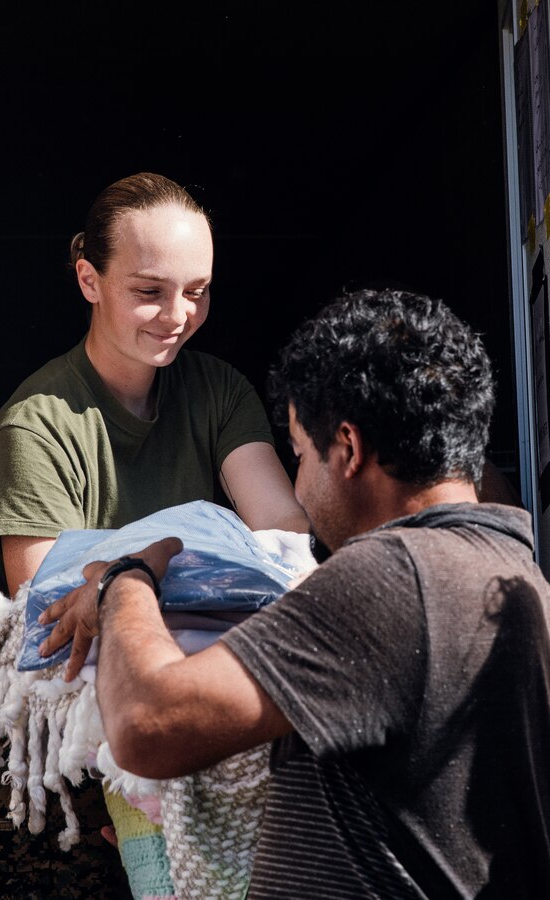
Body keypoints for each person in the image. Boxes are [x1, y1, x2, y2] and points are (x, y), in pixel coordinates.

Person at [40, 288, 550, 898]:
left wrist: (125, 580)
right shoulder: (517, 576)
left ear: (350, 448)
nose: (300, 491)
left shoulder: (393, 578)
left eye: (302, 457)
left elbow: (148, 725)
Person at [0, 172, 308, 899]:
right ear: (89, 278)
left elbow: (285, 540)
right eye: (149, 290)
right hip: (54, 764)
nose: (177, 314)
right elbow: (49, 610)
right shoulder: (35, 426)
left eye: (198, 291)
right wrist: (194, 553)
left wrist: (129, 570)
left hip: (180, 720)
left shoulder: (219, 393)